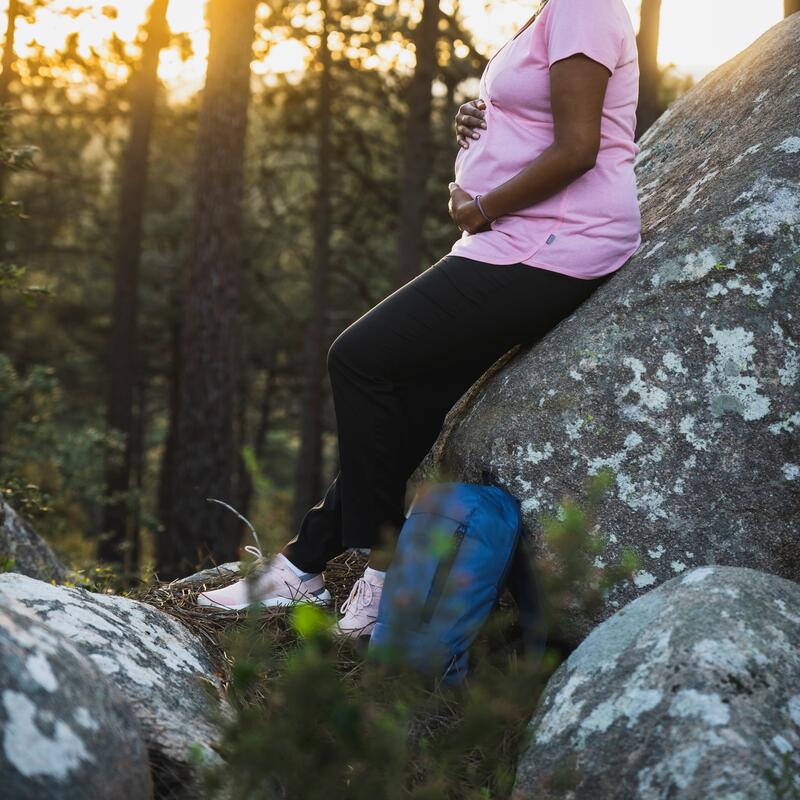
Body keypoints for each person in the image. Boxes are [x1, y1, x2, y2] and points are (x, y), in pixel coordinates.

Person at [197, 0, 642, 639]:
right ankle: (304, 565)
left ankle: (385, 571)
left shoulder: (584, 6)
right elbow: (541, 110)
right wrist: (486, 122)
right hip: (521, 235)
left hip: (555, 241)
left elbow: (578, 148)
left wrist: (482, 206)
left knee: (359, 358)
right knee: (412, 392)